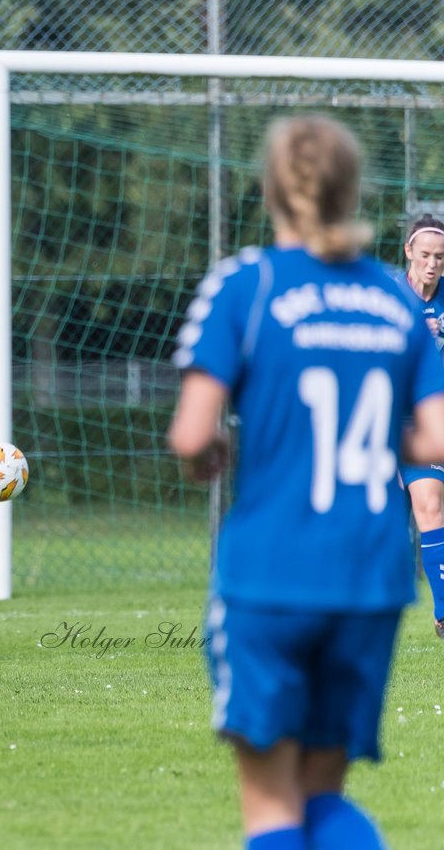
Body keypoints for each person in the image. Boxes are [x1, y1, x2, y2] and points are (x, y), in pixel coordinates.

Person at [168, 115, 444, 850]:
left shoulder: (247, 284)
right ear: (355, 193)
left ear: (270, 190)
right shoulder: (394, 302)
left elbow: (192, 435)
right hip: (371, 579)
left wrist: (212, 451)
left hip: (272, 574)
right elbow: (436, 440)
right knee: (325, 796)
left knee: (272, 806)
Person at [398, 214, 444, 639]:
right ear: (409, 252)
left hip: (433, 420)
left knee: (429, 503)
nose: (432, 264)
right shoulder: (388, 298)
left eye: (440, 257)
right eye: (426, 254)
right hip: (389, 420)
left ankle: (443, 611)